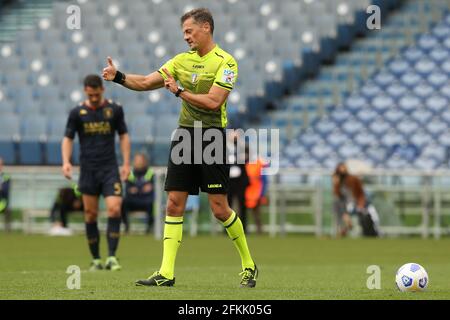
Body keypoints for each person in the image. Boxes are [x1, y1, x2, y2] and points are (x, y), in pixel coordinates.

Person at [102, 8, 258, 287]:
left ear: (206, 27)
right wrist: (119, 77)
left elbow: (214, 102)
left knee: (220, 209)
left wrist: (179, 92)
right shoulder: (179, 61)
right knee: (174, 204)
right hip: (185, 136)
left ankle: (248, 264)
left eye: (189, 31)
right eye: (183, 32)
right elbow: (148, 81)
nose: (185, 37)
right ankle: (166, 273)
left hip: (212, 138)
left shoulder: (227, 62)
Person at [62, 74, 131, 271]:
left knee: (114, 208)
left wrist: (126, 164)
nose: (93, 98)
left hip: (109, 168)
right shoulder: (77, 113)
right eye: (90, 95)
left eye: (96, 94)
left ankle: (112, 257)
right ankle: (96, 259)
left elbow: (124, 136)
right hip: (88, 170)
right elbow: (67, 138)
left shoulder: (114, 109)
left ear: (102, 89)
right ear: (86, 91)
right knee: (90, 214)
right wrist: (66, 162)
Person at [332, 162, 380, 237]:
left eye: (343, 168)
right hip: (345, 206)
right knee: (336, 204)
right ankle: (343, 228)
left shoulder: (353, 179)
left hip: (357, 203)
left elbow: (361, 194)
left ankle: (373, 232)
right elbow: (338, 196)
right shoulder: (337, 182)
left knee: (369, 215)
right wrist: (336, 183)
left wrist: (360, 205)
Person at [122, 153, 155, 234]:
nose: (139, 162)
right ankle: (126, 227)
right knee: (123, 203)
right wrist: (142, 189)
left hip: (146, 201)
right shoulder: (131, 174)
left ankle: (149, 228)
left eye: (140, 160)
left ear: (145, 161)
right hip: (133, 201)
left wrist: (137, 189)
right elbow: (128, 190)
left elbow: (151, 189)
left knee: (153, 205)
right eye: (137, 160)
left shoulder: (150, 173)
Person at [227, 132, 249, 232]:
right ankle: (228, 229)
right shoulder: (225, 148)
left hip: (240, 181)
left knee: (242, 204)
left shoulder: (242, 147)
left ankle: (244, 227)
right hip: (229, 181)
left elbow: (247, 158)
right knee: (228, 205)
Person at [244, 149, 266, 235]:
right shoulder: (243, 164)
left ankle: (259, 232)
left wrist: (261, 193)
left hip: (256, 193)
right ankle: (243, 231)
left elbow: (264, 180)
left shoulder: (258, 163)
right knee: (241, 214)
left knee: (257, 214)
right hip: (245, 192)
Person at [0, 157, 11, 232]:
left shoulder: (6, 176)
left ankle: (7, 231)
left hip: (2, 202)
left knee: (6, 208)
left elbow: (5, 190)